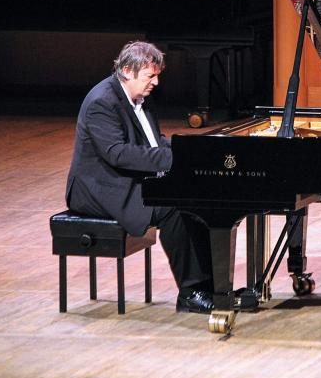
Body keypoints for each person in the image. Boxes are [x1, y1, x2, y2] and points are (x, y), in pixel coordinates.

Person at [65, 41, 215, 314]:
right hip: (99, 188)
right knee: (172, 207)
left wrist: (190, 150)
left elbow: (153, 141)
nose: (156, 82)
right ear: (126, 71)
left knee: (195, 199)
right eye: (150, 76)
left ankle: (211, 288)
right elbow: (117, 154)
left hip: (123, 179)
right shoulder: (102, 102)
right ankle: (191, 293)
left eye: (157, 75)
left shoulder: (140, 96)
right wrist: (175, 159)